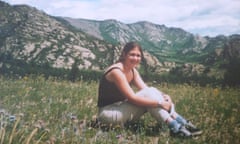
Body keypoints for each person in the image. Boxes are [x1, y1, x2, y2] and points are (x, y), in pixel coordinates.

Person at [97, 42, 202, 137]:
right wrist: (160, 103)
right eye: (132, 54)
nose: (135, 58)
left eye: (138, 55)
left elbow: (147, 89)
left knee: (151, 91)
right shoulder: (117, 71)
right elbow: (132, 98)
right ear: (124, 55)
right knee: (150, 96)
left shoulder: (132, 71)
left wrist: (166, 97)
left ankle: (178, 123)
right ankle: (176, 126)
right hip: (108, 115)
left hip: (121, 109)